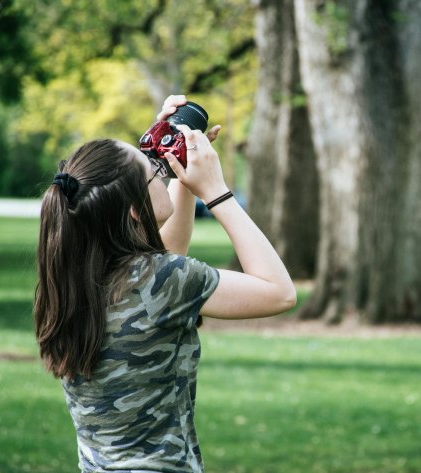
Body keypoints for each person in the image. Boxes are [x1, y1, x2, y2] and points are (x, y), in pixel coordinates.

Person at [33, 95, 296, 473]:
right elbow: (279, 291)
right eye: (154, 171)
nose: (162, 171)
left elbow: (167, 255)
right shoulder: (161, 280)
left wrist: (180, 173)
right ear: (134, 210)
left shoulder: (73, 280)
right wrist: (217, 193)